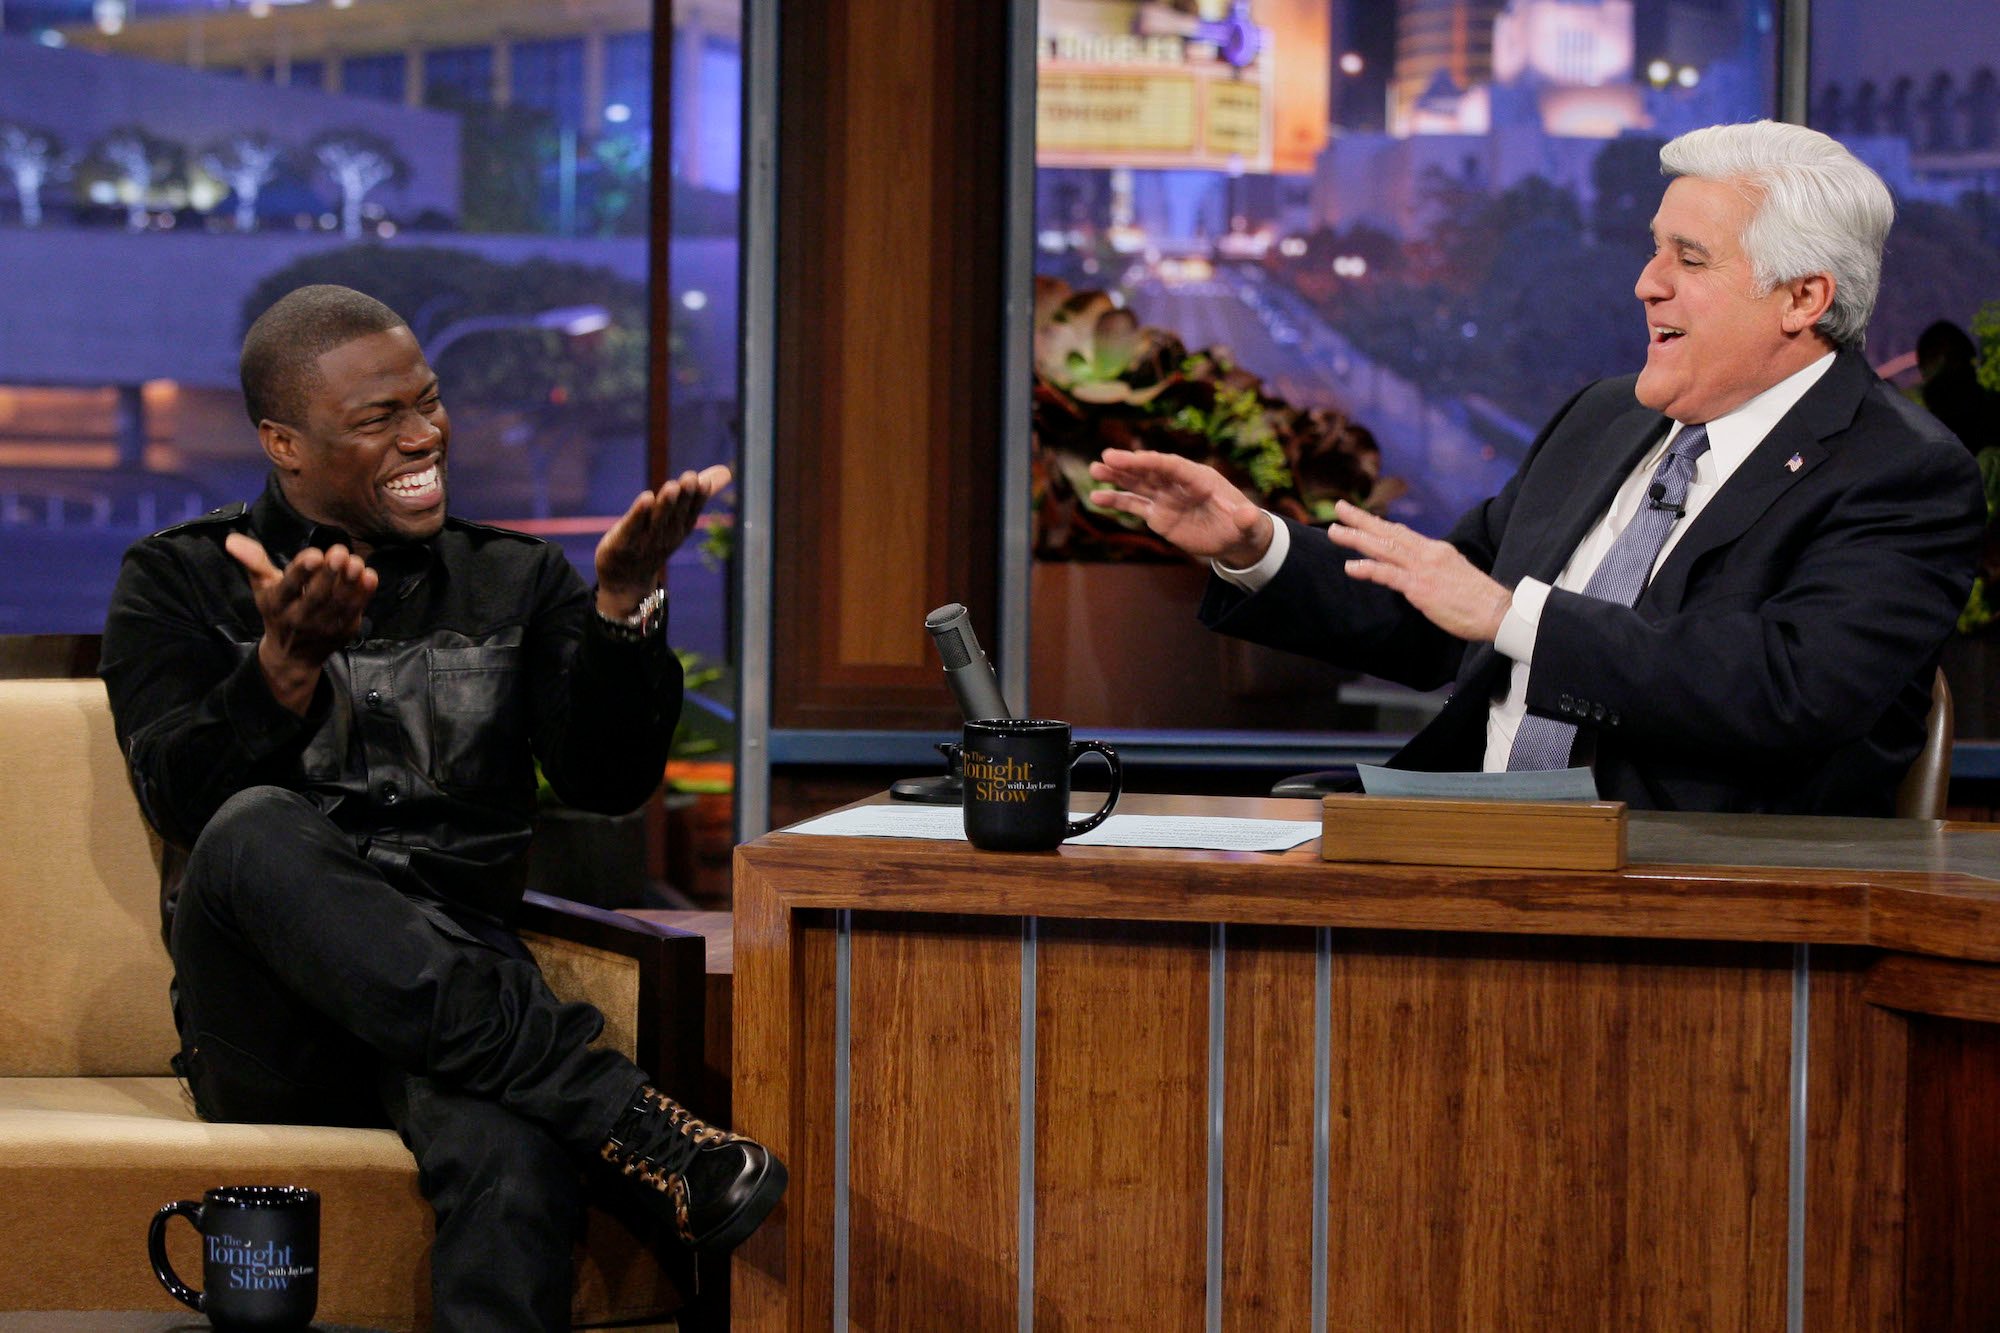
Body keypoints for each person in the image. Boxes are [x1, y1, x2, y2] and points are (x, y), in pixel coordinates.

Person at [98, 284, 784, 1330]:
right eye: (380, 417)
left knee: (515, 1157)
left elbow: (607, 783)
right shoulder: (179, 579)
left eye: (427, 400)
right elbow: (179, 797)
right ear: (284, 440)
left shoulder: (514, 578)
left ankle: (580, 1114)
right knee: (251, 828)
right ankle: (631, 1122)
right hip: (272, 1027)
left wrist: (620, 612)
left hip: (463, 1008)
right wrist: (279, 671)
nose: (424, 432)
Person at [1088, 121, 1985, 815]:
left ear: (1804, 298)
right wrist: (1258, 545)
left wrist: (1518, 615)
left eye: (1690, 258)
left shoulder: (1901, 475)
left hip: (1691, 882)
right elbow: (1442, 609)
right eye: (1655, 246)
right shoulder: (1608, 418)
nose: (1647, 281)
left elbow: (1789, 690)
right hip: (1467, 838)